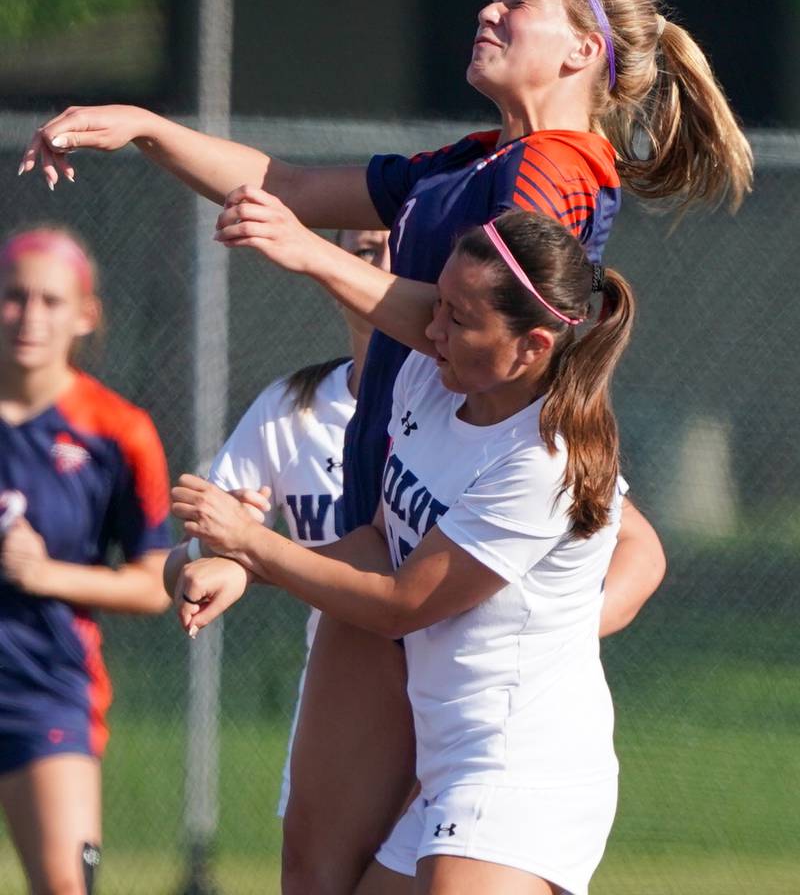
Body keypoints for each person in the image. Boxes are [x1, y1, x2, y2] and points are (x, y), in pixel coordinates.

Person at [19, 0, 735, 889]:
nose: (490, 6)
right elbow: (289, 181)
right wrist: (150, 129)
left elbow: (473, 328)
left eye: (521, 2)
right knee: (315, 873)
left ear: (582, 52)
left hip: (469, 659)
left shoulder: (553, 175)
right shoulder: (484, 161)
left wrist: (311, 259)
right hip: (391, 529)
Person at [171, 209, 636, 894]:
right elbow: (377, 545)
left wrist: (251, 541)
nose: (433, 327)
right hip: (450, 758)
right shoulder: (429, 382)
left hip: (520, 771)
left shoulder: (540, 462)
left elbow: (401, 604)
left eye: (457, 317)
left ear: (533, 347)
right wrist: (243, 564)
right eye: (437, 302)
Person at [163, 226, 393, 819]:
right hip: (338, 708)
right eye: (360, 249)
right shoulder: (293, 407)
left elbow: (634, 546)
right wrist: (217, 559)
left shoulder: (468, 404)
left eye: (400, 242)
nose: (379, 262)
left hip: (459, 711)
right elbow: (186, 563)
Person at [0, 227, 172, 895]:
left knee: (68, 886)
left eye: (50, 300)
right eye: (14, 297)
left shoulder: (116, 431)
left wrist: (44, 574)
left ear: (85, 314)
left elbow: (156, 580)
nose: (30, 316)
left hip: (44, 684)